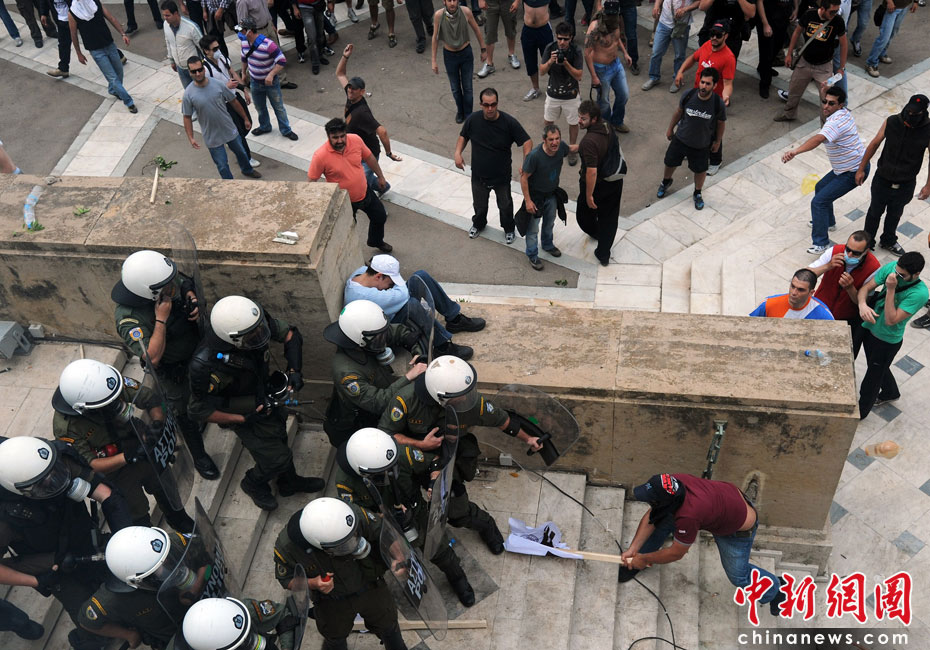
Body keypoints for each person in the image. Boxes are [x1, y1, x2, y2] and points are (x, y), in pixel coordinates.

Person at [378, 356, 542, 554]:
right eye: (459, 396)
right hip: (411, 458)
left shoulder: (469, 401)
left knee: (457, 511)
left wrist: (528, 439)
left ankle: (486, 525)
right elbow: (385, 436)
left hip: (447, 457)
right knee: (407, 503)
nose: (465, 398)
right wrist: (420, 444)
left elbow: (502, 420)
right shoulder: (405, 401)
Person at [188, 295, 324, 511]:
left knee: (279, 431)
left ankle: (288, 481)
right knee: (276, 459)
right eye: (252, 336)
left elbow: (290, 334)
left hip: (263, 390)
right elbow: (197, 410)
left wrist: (294, 370)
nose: (259, 335)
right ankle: (253, 482)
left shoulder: (252, 321)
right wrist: (241, 418)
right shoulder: (206, 365)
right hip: (242, 408)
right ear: (233, 339)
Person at [0, 436, 132, 650]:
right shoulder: (4, 520)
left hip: (83, 534)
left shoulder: (49, 460)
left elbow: (106, 494)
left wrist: (127, 540)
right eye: (43, 483)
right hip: (54, 566)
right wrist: (37, 580)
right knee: (86, 617)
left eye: (54, 473)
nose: (53, 481)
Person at [333, 427, 477, 606]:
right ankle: (416, 584)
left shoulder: (398, 454)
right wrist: (383, 516)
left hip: (415, 511)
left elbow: (434, 463)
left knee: (439, 548)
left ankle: (457, 577)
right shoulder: (345, 482)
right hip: (384, 525)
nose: (388, 473)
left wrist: (434, 481)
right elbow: (356, 514)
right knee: (402, 562)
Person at [52, 358, 196, 532]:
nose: (114, 404)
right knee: (135, 512)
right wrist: (127, 457)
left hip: (141, 443)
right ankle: (146, 536)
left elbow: (151, 399)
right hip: (115, 470)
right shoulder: (67, 427)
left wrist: (157, 423)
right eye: (106, 404)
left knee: (165, 488)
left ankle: (179, 519)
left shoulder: (109, 384)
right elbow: (90, 464)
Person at [112, 249, 220, 481]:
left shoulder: (161, 280)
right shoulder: (129, 317)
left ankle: (214, 416)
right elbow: (151, 358)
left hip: (197, 350)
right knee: (183, 413)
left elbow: (182, 280)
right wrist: (161, 318)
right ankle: (199, 455)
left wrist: (190, 295)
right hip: (173, 372)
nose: (172, 286)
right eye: (167, 287)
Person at [618, 473, 786, 617]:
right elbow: (653, 515)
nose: (649, 503)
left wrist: (645, 559)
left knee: (739, 576)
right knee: (662, 519)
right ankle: (637, 560)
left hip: (735, 530)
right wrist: (634, 549)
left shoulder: (688, 517)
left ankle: (776, 590)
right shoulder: (672, 484)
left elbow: (676, 553)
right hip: (723, 505)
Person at [273, 498, 408, 650]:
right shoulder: (287, 547)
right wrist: (314, 583)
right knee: (334, 638)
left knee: (389, 626)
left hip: (370, 586)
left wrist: (398, 558)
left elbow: (381, 530)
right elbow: (286, 579)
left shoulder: (350, 514)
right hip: (332, 601)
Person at [323, 300, 429, 447]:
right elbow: (378, 403)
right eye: (379, 337)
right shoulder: (346, 373)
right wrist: (409, 376)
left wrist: (418, 353)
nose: (384, 340)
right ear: (360, 340)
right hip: (355, 425)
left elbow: (398, 332)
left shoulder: (370, 336)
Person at [782, 85, 866, 255]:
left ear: (840, 105)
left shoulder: (835, 123)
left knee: (818, 202)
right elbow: (830, 97)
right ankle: (828, 222)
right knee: (820, 187)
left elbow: (818, 139)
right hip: (845, 167)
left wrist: (795, 151)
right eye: (824, 102)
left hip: (852, 171)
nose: (826, 106)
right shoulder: (844, 113)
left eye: (831, 103)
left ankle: (821, 243)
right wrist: (825, 89)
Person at [78, 526, 192, 648]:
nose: (165, 571)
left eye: (166, 561)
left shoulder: (167, 543)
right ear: (136, 581)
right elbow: (86, 621)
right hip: (177, 638)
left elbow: (202, 548)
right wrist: (129, 635)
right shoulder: (112, 598)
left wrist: (194, 587)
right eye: (155, 572)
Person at [344, 254, 485, 352]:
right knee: (411, 305)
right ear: (378, 276)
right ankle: (442, 346)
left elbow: (399, 291)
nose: (391, 286)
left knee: (420, 276)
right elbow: (402, 295)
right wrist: (398, 287)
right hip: (384, 336)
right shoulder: (364, 295)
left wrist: (393, 282)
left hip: (386, 316)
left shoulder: (362, 273)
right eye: (390, 283)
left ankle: (455, 319)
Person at [455, 87, 532, 243]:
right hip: (479, 175)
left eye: (493, 104)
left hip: (501, 177)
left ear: (497, 103)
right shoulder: (473, 120)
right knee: (479, 205)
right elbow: (463, 136)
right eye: (486, 105)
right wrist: (457, 153)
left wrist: (526, 163)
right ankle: (478, 224)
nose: (490, 108)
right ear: (481, 104)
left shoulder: (508, 122)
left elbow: (527, 141)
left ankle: (509, 229)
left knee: (505, 205)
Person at [856, 94, 930, 257]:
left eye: (915, 113)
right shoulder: (892, 121)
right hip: (882, 178)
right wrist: (861, 168)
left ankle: (888, 240)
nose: (911, 115)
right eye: (909, 111)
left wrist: (928, 185)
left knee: (895, 214)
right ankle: (867, 242)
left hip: (906, 182)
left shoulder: (928, 130)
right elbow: (874, 143)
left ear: (923, 112)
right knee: (874, 212)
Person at [856, 252, 928, 418]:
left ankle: (861, 412)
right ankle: (891, 391)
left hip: (886, 339)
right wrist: (862, 305)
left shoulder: (920, 293)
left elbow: (891, 320)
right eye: (896, 272)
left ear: (916, 274)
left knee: (872, 378)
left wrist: (890, 289)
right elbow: (865, 288)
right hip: (870, 327)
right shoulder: (892, 269)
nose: (896, 276)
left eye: (902, 275)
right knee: (877, 366)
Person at [308, 117, 392, 253]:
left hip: (365, 191)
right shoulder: (320, 156)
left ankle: (375, 241)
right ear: (328, 136)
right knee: (349, 231)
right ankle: (353, 257)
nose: (340, 140)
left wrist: (381, 176)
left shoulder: (356, 140)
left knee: (380, 216)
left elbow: (369, 157)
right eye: (335, 137)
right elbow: (312, 182)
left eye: (342, 136)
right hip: (344, 201)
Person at [656, 67, 725, 211]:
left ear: (714, 86)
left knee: (700, 170)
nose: (703, 86)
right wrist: (670, 128)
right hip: (680, 139)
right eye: (702, 82)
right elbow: (678, 112)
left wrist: (718, 142)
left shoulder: (717, 103)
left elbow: (720, 124)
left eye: (708, 84)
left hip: (701, 145)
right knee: (669, 162)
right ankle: (666, 182)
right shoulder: (688, 95)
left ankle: (697, 193)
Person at [337, 44, 402, 196]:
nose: (350, 90)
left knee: (361, 181)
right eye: (349, 87)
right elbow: (340, 74)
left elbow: (382, 132)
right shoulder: (350, 96)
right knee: (361, 178)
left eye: (354, 89)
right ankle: (383, 187)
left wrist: (389, 153)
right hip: (355, 150)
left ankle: (371, 196)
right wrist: (345, 56)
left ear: (362, 92)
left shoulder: (362, 113)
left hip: (368, 154)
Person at [183, 56, 262, 179]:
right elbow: (187, 117)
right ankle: (229, 184)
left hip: (228, 127)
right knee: (222, 165)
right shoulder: (188, 94)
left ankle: (247, 170)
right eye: (194, 71)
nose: (197, 73)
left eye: (200, 70)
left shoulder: (218, 84)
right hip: (211, 135)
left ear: (204, 69)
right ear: (189, 72)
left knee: (241, 152)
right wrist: (191, 137)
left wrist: (245, 118)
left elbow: (233, 101)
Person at [674, 19, 734, 174]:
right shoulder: (707, 45)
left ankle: (715, 161)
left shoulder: (728, 58)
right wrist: (680, 71)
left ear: (726, 36)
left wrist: (726, 96)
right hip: (697, 95)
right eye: (712, 33)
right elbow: (692, 59)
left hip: (712, 101)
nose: (714, 37)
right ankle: (689, 149)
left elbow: (728, 83)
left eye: (718, 35)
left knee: (713, 132)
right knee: (690, 123)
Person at [773, 0, 846, 123]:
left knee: (826, 99)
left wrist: (841, 68)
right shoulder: (809, 14)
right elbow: (797, 32)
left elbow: (844, 44)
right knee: (794, 91)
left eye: (836, 11)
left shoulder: (838, 21)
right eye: (832, 12)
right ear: (823, 8)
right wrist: (789, 54)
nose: (834, 14)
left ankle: (826, 126)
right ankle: (789, 113)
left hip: (824, 67)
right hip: (804, 62)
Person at [809, 231, 880, 352]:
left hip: (845, 318)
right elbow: (807, 274)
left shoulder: (873, 268)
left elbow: (862, 303)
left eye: (856, 253)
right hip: (819, 308)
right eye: (848, 249)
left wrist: (850, 288)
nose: (849, 254)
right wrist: (828, 266)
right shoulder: (834, 251)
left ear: (866, 251)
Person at [575, 99, 623, 266]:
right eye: (579, 117)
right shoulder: (607, 126)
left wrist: (589, 195)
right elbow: (600, 149)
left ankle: (596, 232)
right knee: (609, 218)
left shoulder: (588, 142)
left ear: (593, 119)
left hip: (597, 186)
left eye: (583, 118)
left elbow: (592, 171)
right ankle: (603, 254)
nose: (579, 121)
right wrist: (577, 148)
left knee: (583, 214)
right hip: (615, 180)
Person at [201, 33, 259, 168]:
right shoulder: (205, 69)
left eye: (218, 47)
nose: (218, 51)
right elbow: (208, 91)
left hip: (234, 96)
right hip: (223, 104)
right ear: (206, 51)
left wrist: (244, 89)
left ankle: (234, 143)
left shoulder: (221, 58)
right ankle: (246, 158)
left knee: (247, 123)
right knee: (238, 131)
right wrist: (225, 87)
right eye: (214, 49)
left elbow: (232, 72)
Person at [69, 0, 138, 113]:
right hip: (96, 50)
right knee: (112, 78)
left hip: (109, 44)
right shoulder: (72, 12)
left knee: (119, 71)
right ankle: (129, 102)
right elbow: (73, 34)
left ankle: (113, 90)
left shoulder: (95, 3)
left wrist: (123, 34)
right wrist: (78, 53)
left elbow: (111, 18)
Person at [520, 124, 573, 269]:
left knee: (549, 222)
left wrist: (588, 145)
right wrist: (528, 201)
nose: (555, 142)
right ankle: (532, 254)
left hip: (551, 194)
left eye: (557, 138)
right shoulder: (534, 156)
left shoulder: (561, 147)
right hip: (536, 197)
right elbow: (524, 178)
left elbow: (571, 149)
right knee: (533, 229)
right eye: (551, 139)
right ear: (544, 140)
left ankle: (547, 245)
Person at [237, 18, 299, 141]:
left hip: (271, 83)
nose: (240, 34)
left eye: (242, 31)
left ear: (249, 31)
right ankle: (265, 126)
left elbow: (281, 61)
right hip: (255, 82)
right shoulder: (244, 43)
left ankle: (286, 130)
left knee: (278, 107)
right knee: (260, 107)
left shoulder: (268, 44)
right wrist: (243, 72)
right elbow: (244, 58)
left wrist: (271, 74)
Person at [431, 0, 488, 124]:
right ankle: (460, 111)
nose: (452, 3)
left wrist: (483, 49)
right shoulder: (439, 15)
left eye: (454, 0)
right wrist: (433, 60)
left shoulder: (465, 12)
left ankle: (468, 114)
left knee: (468, 87)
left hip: (465, 53)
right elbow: (435, 37)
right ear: (444, 1)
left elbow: (476, 30)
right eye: (449, 0)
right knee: (455, 88)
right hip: (449, 55)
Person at [177, 596, 303, 650]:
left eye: (247, 636)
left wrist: (286, 647)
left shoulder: (243, 611)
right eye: (241, 645)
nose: (251, 642)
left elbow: (283, 617)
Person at [584, 1, 633, 133]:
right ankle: (605, 125)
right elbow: (587, 53)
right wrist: (594, 76)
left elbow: (616, 39)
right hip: (602, 69)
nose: (611, 18)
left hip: (616, 64)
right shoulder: (595, 28)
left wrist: (625, 53)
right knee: (604, 101)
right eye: (609, 15)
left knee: (623, 95)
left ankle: (617, 121)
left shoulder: (615, 22)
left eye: (613, 16)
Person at [541, 22, 583, 164]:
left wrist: (565, 63)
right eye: (559, 38)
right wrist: (550, 61)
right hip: (553, 93)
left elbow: (579, 75)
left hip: (571, 94)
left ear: (571, 38)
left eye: (565, 39)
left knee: (573, 122)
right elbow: (541, 71)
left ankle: (572, 150)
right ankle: (548, 146)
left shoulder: (576, 51)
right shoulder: (550, 48)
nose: (562, 42)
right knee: (548, 121)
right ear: (556, 37)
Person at [641, 0, 699, 94]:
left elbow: (700, 2)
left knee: (679, 55)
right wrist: (656, 6)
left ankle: (677, 79)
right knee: (656, 52)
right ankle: (654, 77)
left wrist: (686, 9)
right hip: (663, 23)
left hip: (682, 25)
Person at [749, 268, 835, 319]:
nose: (794, 293)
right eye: (793, 286)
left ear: (811, 293)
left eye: (801, 290)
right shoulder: (768, 304)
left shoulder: (824, 315)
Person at [863, 0, 918, 78]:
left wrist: (916, 1)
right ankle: (871, 63)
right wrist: (889, 1)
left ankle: (882, 53)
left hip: (904, 7)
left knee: (893, 33)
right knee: (884, 37)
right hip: (892, 7)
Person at [517, 0, 553, 102]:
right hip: (528, 30)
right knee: (530, 61)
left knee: (550, 60)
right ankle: (535, 88)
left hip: (544, 30)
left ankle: (554, 87)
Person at [755, 0, 793, 97]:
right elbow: (759, 2)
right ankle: (764, 84)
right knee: (766, 52)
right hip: (768, 19)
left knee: (778, 46)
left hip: (783, 19)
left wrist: (795, 9)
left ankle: (763, 68)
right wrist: (765, 24)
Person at [162, 0, 203, 88]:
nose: (165, 18)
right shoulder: (165, 24)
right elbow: (168, 42)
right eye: (164, 15)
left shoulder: (191, 27)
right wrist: (172, 60)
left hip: (195, 69)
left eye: (167, 15)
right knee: (189, 92)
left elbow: (203, 47)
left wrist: (204, 66)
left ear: (176, 13)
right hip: (180, 68)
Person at [476, 0, 519, 79]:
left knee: (511, 28)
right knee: (489, 31)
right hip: (490, 3)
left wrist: (517, 1)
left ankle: (511, 54)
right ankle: (489, 63)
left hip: (508, 2)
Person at [294, 0, 329, 74]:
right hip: (304, 8)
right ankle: (315, 62)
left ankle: (320, 56)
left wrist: (330, 2)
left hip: (319, 6)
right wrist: (295, 8)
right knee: (312, 38)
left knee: (320, 35)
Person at [40, 0, 71, 78]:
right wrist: (44, 13)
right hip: (61, 21)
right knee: (63, 44)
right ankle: (63, 69)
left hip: (77, 18)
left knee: (92, 42)